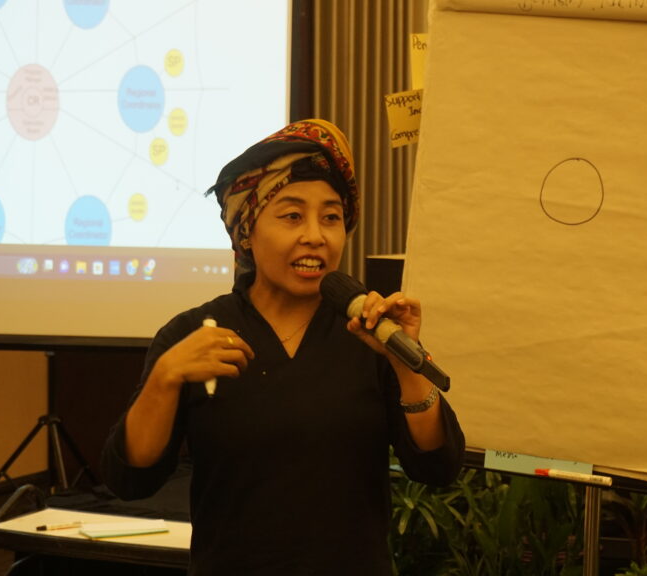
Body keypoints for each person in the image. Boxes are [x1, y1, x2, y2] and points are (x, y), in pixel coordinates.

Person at [101, 119, 465, 575]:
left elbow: (438, 466)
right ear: (247, 232)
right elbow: (130, 479)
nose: (315, 235)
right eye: (292, 216)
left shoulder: (369, 332)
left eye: (331, 217)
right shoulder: (193, 333)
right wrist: (164, 379)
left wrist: (405, 365)